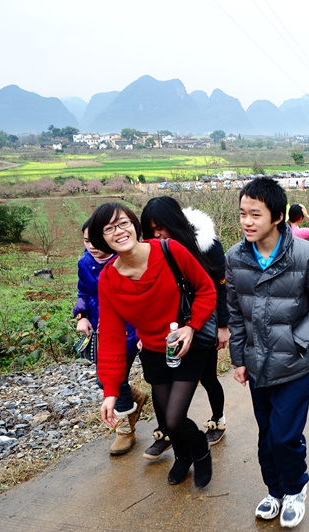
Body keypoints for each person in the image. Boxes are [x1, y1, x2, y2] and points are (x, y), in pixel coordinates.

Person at [226, 177, 309, 528]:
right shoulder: (235, 257)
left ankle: (295, 490)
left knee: (285, 435)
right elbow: (234, 312)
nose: (247, 221)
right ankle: (274, 491)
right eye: (243, 213)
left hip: (295, 365)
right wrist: (239, 358)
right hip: (258, 365)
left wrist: (296, 341)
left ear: (277, 216)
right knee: (266, 435)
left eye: (255, 214)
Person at [91, 202, 216, 488]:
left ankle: (200, 449)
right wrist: (110, 392)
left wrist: (191, 326)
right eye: (109, 228)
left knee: (173, 418)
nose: (119, 231)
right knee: (164, 415)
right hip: (154, 351)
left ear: (134, 225)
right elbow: (110, 338)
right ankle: (182, 458)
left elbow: (206, 289)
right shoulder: (109, 280)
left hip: (187, 344)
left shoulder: (169, 250)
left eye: (123, 223)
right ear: (102, 239)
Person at [139, 196, 230, 461]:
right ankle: (167, 432)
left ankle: (218, 419)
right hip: (167, 328)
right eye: (151, 230)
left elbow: (219, 288)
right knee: (162, 382)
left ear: (174, 223)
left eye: (161, 228)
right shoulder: (151, 250)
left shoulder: (206, 245)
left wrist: (223, 327)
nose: (157, 234)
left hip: (202, 323)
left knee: (207, 376)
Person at [73, 219, 143, 456]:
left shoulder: (125, 260)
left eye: (95, 240)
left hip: (129, 328)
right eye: (86, 240)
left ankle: (125, 431)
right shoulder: (85, 263)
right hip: (102, 329)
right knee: (108, 380)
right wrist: (81, 315)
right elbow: (83, 291)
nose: (91, 246)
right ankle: (135, 399)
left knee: (114, 379)